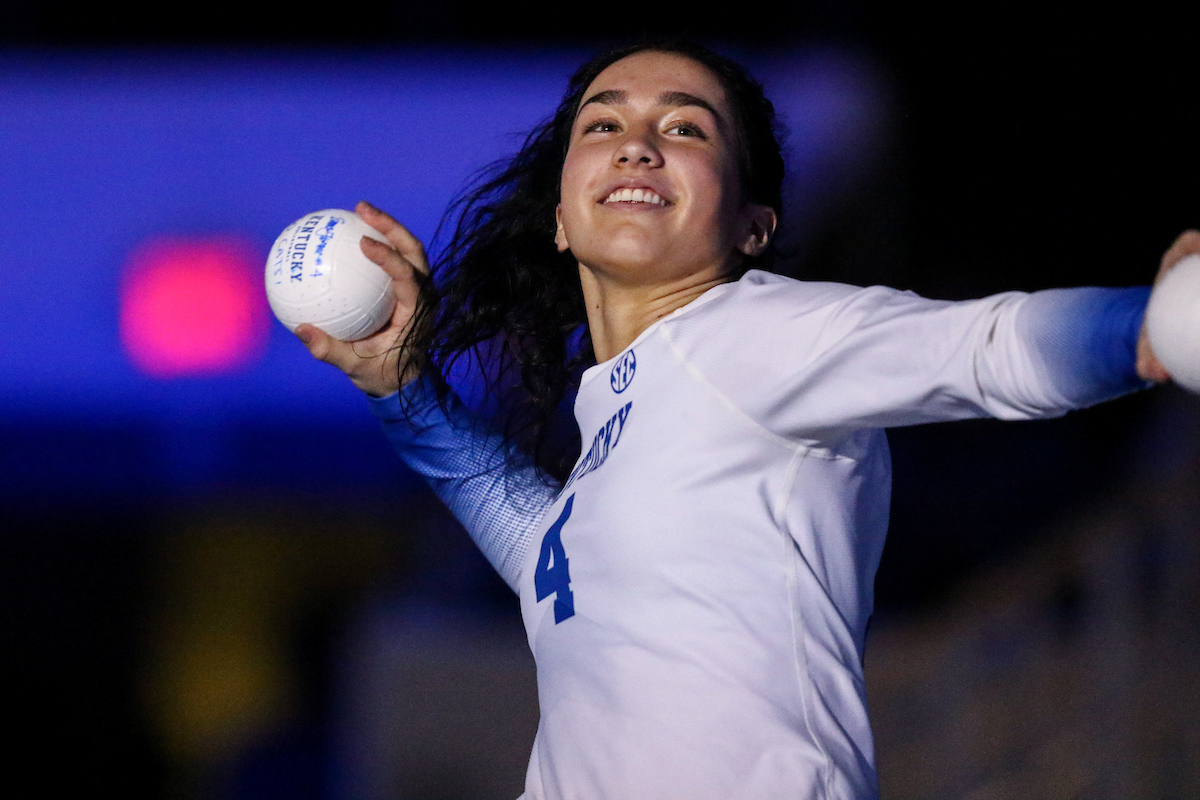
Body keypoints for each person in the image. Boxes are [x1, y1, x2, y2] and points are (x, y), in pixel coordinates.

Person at [294, 40, 1197, 800]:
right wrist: (406, 390)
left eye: (685, 128)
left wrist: (1142, 329)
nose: (637, 145)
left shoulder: (763, 334)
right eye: (603, 125)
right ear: (561, 220)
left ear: (753, 225)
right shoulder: (615, 420)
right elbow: (547, 563)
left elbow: (984, 347)